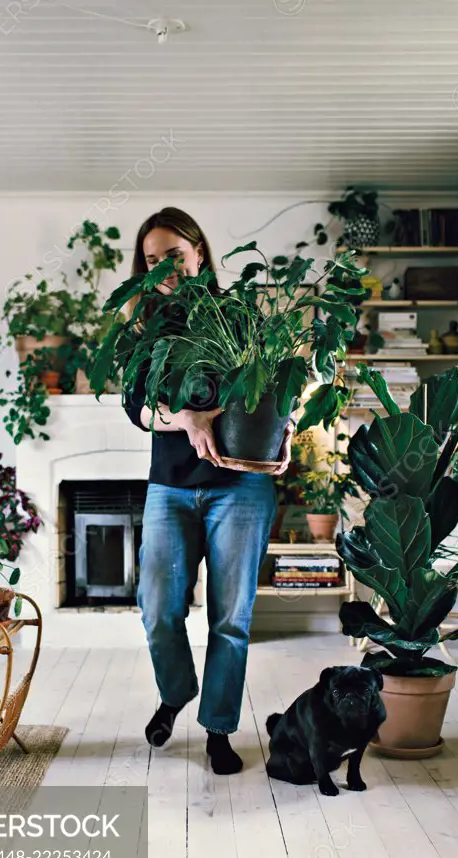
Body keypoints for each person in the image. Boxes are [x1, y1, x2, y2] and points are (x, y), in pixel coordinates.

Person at [124, 207, 294, 774]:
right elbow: (139, 408)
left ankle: (219, 729)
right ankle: (176, 692)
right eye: (152, 260)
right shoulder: (144, 331)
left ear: (198, 251)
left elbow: (270, 387)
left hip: (241, 485)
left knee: (231, 617)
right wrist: (187, 421)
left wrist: (285, 431)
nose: (166, 267)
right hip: (171, 486)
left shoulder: (236, 314)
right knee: (156, 607)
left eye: (174, 254)